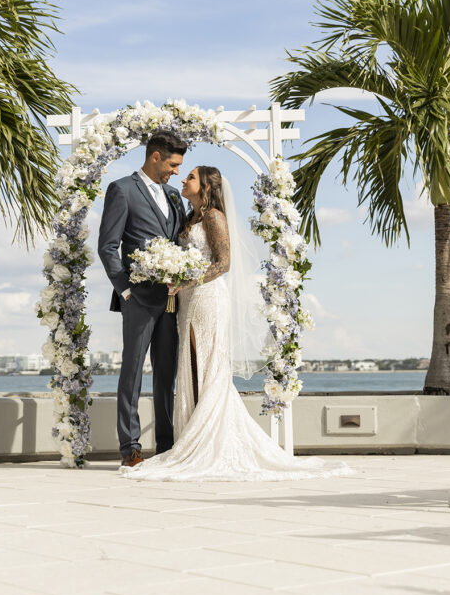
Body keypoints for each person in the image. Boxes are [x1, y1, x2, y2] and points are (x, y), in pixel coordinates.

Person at [121, 165, 352, 481]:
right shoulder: (189, 218)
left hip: (207, 298)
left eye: (191, 177)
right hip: (186, 300)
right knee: (192, 368)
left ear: (205, 186)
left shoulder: (214, 217)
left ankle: (209, 441)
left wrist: (187, 281)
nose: (184, 179)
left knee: (208, 367)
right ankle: (195, 438)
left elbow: (224, 263)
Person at [98, 130, 188, 468]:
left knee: (167, 375)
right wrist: (125, 290)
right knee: (132, 371)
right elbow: (108, 246)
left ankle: (166, 446)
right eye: (173, 165)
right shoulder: (122, 189)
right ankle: (130, 448)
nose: (176, 172)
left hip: (172, 300)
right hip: (137, 298)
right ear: (155, 156)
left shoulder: (174, 196)